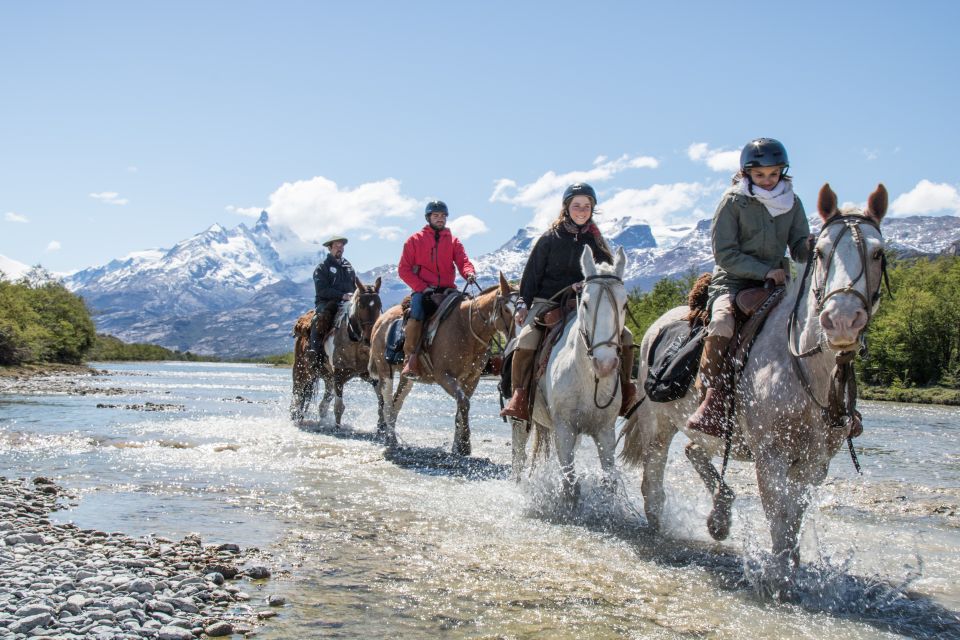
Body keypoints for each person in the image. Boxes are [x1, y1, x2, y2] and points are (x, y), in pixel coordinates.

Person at [687, 137, 811, 434]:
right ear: (747, 174)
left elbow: (798, 245)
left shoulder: (793, 202)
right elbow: (725, 254)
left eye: (773, 173)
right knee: (721, 324)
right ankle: (711, 398)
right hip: (732, 281)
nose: (768, 180)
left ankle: (836, 404)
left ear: (783, 172)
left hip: (779, 283)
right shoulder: (733, 201)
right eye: (759, 175)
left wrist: (811, 248)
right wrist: (765, 270)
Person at [501, 183, 637, 421]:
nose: (582, 210)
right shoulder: (549, 239)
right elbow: (531, 276)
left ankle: (625, 392)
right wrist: (523, 304)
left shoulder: (596, 240)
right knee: (525, 341)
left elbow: (606, 272)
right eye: (577, 206)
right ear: (567, 208)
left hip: (583, 305)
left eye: (587, 206)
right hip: (547, 302)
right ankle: (519, 397)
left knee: (625, 336)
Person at [397, 200, 477, 379]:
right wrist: (421, 288)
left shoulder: (454, 241)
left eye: (443, 216)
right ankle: (411, 359)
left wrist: (469, 273)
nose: (440, 219)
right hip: (424, 290)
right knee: (416, 313)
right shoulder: (414, 240)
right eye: (436, 215)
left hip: (448, 291)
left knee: (469, 312)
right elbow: (403, 270)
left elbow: (463, 262)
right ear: (428, 218)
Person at [308, 235, 357, 364]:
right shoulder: (322, 267)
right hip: (326, 302)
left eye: (341, 246)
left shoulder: (349, 267)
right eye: (336, 246)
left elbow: (354, 285)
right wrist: (342, 295)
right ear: (329, 248)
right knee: (318, 319)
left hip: (348, 302)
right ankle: (315, 353)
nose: (339, 248)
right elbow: (322, 290)